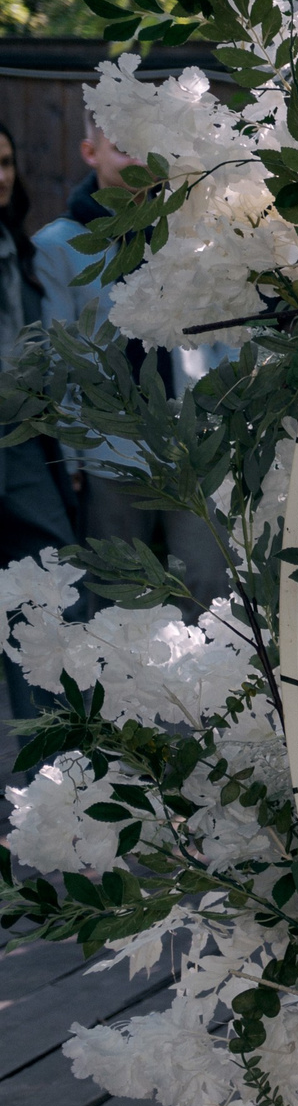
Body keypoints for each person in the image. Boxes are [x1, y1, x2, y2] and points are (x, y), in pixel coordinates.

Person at [33, 113, 229, 605]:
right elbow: (59, 357)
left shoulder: (188, 235)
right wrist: (71, 451)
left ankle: (204, 680)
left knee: (208, 583)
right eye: (121, 145)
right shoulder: (57, 245)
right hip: (107, 448)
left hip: (191, 445)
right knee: (118, 589)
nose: (135, 157)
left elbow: (224, 329)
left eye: (145, 145)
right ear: (90, 152)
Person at [0, 121, 77, 716]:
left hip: (22, 443)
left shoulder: (20, 253)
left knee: (47, 591)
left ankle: (50, 766)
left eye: (4, 163)